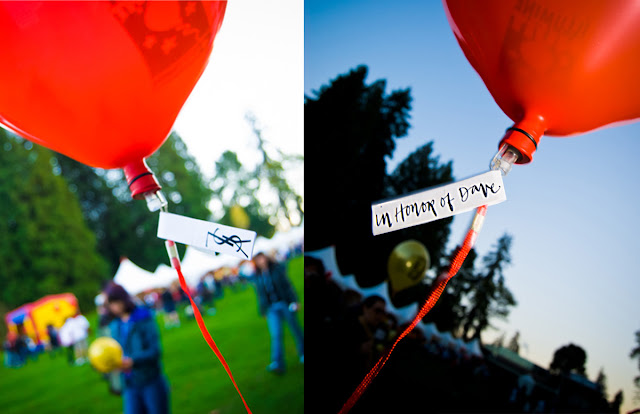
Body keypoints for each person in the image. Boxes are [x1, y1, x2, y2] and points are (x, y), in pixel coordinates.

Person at [105, 283, 170, 414]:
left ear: (124, 300)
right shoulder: (115, 326)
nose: (114, 307)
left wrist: (133, 361)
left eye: (116, 302)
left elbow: (155, 351)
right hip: (130, 384)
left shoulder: (143, 317)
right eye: (111, 304)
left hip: (150, 380)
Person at [252, 252, 304, 374]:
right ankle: (278, 362)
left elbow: (287, 286)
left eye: (261, 258)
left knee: (295, 329)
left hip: (284, 303)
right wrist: (263, 310)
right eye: (258, 260)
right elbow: (260, 295)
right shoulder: (258, 276)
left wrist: (294, 301)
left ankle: (302, 352)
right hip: (271, 308)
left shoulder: (276, 269)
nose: (261, 261)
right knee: (276, 335)